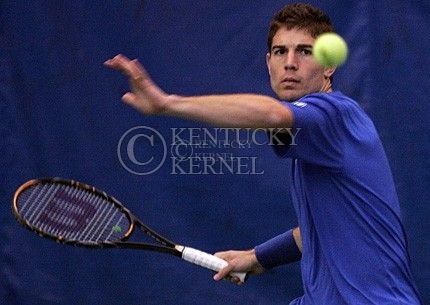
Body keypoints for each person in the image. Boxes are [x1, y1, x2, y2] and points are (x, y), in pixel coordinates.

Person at [104, 3, 421, 304]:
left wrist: (166, 104)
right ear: (268, 61)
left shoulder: (333, 115)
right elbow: (319, 231)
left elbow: (272, 115)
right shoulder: (317, 139)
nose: (290, 62)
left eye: (305, 51)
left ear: (329, 66)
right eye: (280, 51)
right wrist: (257, 258)